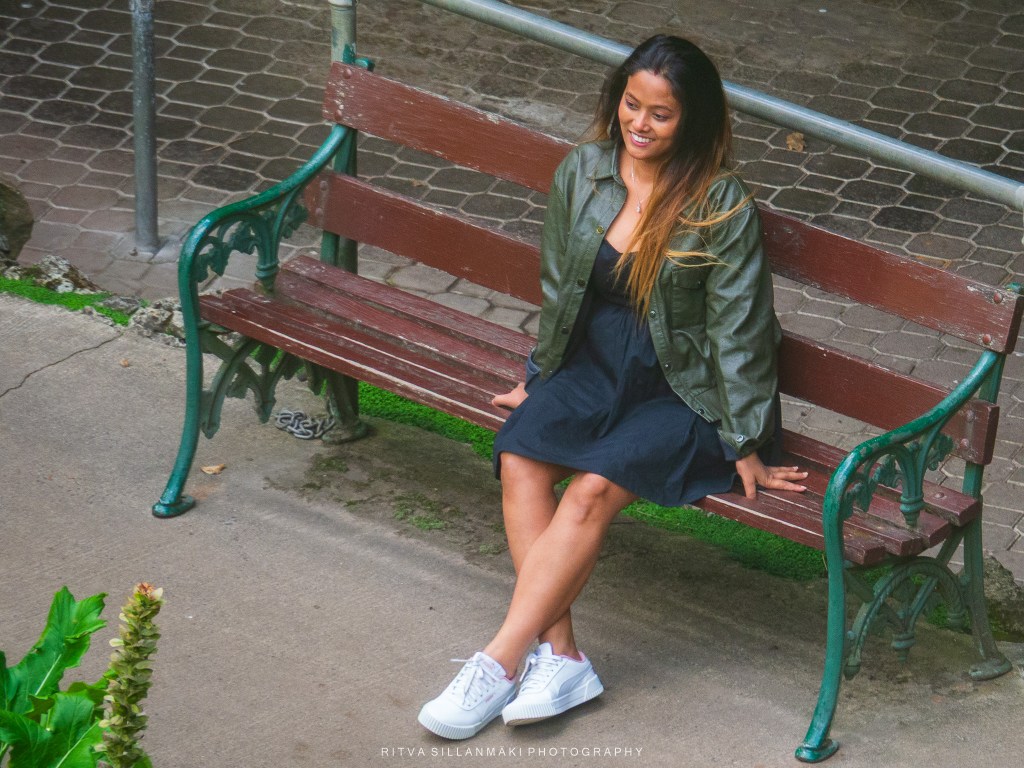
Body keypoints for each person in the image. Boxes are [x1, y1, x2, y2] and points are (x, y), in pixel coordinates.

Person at [417, 34, 808, 741]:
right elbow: (561, 290)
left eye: (661, 114)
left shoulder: (721, 205)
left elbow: (742, 333)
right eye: (632, 103)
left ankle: (499, 660)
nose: (641, 123)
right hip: (594, 369)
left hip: (684, 391)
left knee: (592, 487)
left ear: (693, 120)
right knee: (522, 455)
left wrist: (746, 439)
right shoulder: (586, 171)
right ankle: (561, 655)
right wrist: (538, 378)